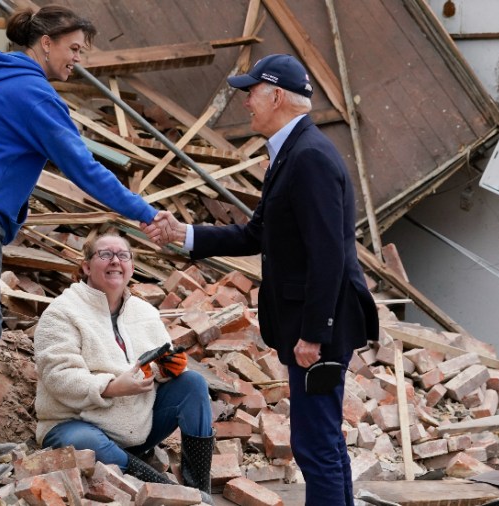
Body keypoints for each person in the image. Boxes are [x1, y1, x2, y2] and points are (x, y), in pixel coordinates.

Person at [0, 5, 162, 482]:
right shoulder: (32, 93)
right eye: (73, 49)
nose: (76, 60)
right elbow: (83, 169)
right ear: (45, 42)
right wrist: (144, 212)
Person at [147, 54, 379, 506]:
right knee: (323, 442)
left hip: (322, 326)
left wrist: (314, 334)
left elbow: (328, 256)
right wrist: (185, 234)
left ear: (275, 95)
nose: (245, 102)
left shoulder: (308, 157)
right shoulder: (291, 152)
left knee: (315, 446)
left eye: (250, 92)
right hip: (316, 322)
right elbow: (257, 233)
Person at [34, 229, 214, 503]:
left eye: (123, 255)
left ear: (131, 266)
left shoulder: (146, 313)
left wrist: (167, 370)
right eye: (105, 254)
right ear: (86, 266)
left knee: (193, 384)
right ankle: (168, 491)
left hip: (136, 427)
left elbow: (156, 367)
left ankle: (199, 489)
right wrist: (111, 388)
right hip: (77, 423)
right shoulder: (62, 312)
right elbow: (58, 376)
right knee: (88, 443)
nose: (115, 261)